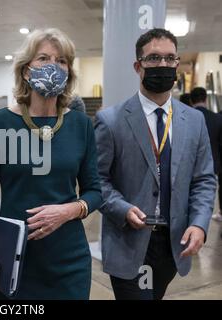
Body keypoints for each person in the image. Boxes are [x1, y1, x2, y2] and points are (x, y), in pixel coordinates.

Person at [0, 28, 102, 299]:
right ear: (26, 71)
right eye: (43, 58)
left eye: (61, 61)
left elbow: (95, 191)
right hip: (15, 259)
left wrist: (67, 211)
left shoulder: (81, 125)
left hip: (69, 260)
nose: (54, 66)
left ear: (69, 71)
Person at [95, 28, 216, 300]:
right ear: (138, 66)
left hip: (173, 243)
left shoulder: (194, 121)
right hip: (129, 240)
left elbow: (204, 179)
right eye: (153, 58)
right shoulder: (111, 121)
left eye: (170, 58)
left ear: (176, 63)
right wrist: (122, 209)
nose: (162, 65)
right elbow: (97, 180)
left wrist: (199, 223)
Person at [190, 87, 222, 222]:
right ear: (205, 99)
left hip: (188, 164)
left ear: (191, 100)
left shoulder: (185, 117)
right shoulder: (217, 118)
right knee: (207, 191)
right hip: (213, 163)